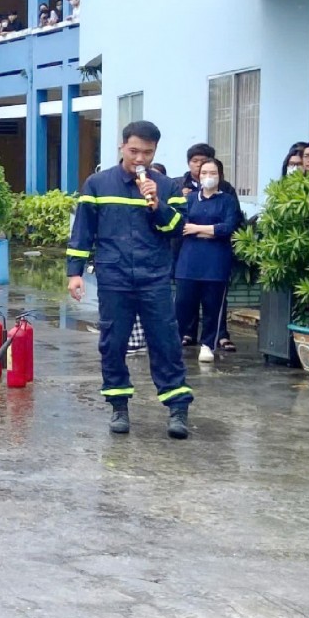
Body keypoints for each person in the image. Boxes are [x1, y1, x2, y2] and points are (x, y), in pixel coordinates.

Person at [66, 120, 194, 439]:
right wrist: (74, 274)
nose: (140, 159)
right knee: (113, 343)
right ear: (121, 146)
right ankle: (119, 406)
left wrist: (157, 205)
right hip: (114, 277)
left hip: (155, 277)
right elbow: (83, 231)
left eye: (147, 153)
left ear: (155, 152)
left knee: (166, 342)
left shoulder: (166, 186)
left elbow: (177, 229)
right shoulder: (98, 184)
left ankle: (177, 409)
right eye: (134, 150)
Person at [174, 143, 239, 351]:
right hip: (189, 260)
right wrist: (209, 230)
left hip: (216, 261)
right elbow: (182, 227)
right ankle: (175, 342)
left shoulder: (227, 200)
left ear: (220, 175)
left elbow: (228, 227)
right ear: (198, 175)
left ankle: (208, 345)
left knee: (213, 305)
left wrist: (198, 229)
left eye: (213, 172)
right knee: (183, 303)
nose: (208, 175)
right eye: (204, 172)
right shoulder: (190, 199)